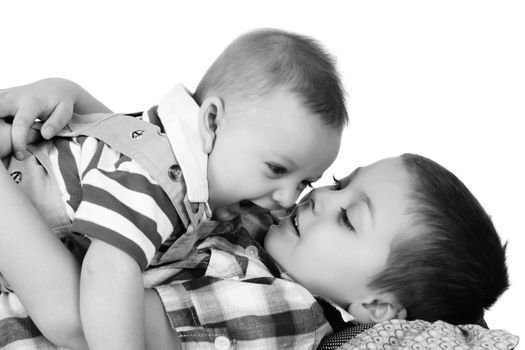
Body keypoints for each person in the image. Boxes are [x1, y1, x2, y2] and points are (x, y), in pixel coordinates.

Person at [0, 28, 347, 350]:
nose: (288, 198)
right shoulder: (165, 183)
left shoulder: (164, 150)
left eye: (304, 182)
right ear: (212, 122)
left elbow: (111, 140)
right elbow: (104, 274)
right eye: (276, 169)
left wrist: (70, 91)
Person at [0, 153, 509, 349]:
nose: (320, 197)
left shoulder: (289, 311)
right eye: (339, 183)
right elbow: (157, 166)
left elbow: (78, 321)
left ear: (375, 309)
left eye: (349, 218)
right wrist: (73, 98)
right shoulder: (257, 228)